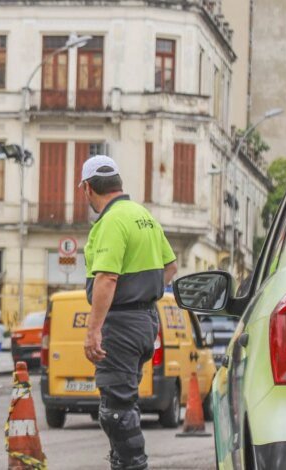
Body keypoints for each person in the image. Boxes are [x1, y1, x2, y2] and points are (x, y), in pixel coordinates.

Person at [80, 155, 178, 470]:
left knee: (117, 410)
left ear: (87, 188)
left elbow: (107, 278)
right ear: (118, 183)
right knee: (123, 402)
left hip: (120, 324)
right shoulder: (143, 215)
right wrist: (143, 292)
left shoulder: (112, 221)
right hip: (145, 319)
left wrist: (94, 329)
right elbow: (170, 265)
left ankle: (133, 465)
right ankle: (123, 463)